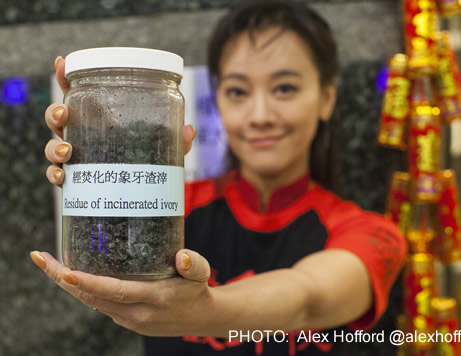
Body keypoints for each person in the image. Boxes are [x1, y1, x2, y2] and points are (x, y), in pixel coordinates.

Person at [32, 1, 407, 355]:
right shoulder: (170, 209)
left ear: (327, 97)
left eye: (285, 88)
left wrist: (204, 311)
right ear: (219, 100)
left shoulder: (372, 234)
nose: (260, 114)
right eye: (238, 91)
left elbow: (307, 300)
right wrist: (101, 139)